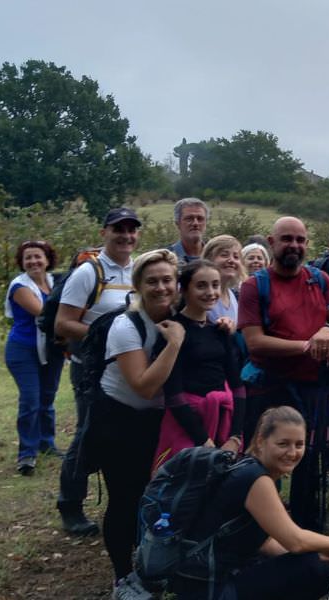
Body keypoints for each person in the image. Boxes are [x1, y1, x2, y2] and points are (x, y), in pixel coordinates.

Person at [164, 406, 329, 600]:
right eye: (283, 444)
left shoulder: (250, 469)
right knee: (315, 570)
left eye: (299, 444)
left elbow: (267, 544)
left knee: (313, 562)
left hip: (201, 582)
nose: (293, 452)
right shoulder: (255, 479)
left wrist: (316, 553)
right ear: (261, 441)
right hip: (210, 589)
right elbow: (296, 541)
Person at [238, 216, 329, 531]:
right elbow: (254, 341)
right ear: (271, 243)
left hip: (314, 386)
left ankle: (305, 525)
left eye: (300, 240)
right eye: (287, 239)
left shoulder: (320, 280)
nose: (294, 246)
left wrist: (328, 330)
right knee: (264, 456)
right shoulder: (254, 285)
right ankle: (258, 526)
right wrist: (307, 345)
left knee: (308, 457)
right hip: (268, 387)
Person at [90, 249, 183, 589]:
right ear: (139, 285)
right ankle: (122, 573)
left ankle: (155, 564)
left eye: (167, 280)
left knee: (158, 497)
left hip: (162, 421)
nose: (161, 287)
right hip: (119, 420)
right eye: (152, 281)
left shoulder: (181, 317)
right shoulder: (124, 325)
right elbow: (143, 386)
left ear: (177, 284)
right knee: (125, 498)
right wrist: (174, 345)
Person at [54, 206, 143, 537]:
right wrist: (106, 336)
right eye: (119, 228)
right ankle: (70, 505)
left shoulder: (138, 270)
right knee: (88, 434)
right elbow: (63, 324)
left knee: (120, 437)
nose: (126, 235)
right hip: (90, 370)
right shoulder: (88, 273)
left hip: (125, 369)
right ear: (104, 232)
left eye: (132, 229)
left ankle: (123, 502)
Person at [151, 260, 246, 474]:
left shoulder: (220, 331)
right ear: (185, 289)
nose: (210, 292)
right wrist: (203, 440)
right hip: (186, 425)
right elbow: (173, 394)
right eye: (201, 286)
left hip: (223, 422)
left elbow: (238, 387)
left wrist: (234, 437)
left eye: (215, 285)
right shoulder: (173, 332)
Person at [5, 240, 64, 475]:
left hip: (53, 349)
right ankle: (27, 454)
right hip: (23, 350)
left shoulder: (54, 281)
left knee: (47, 399)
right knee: (31, 399)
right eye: (28, 258)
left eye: (38, 256)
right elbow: (45, 313)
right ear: (22, 262)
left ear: (47, 259)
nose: (33, 261)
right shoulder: (19, 286)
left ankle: (46, 444)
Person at [202, 234, 243, 325]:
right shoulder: (200, 294)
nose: (231, 260)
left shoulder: (233, 296)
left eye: (236, 257)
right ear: (208, 259)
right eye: (224, 255)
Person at [167, 197, 209, 263]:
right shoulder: (166, 260)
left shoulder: (215, 256)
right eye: (189, 218)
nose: (195, 223)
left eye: (200, 218)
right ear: (177, 223)